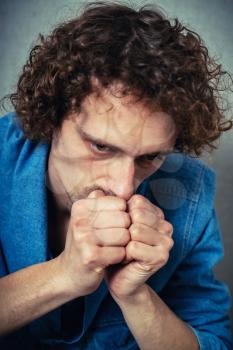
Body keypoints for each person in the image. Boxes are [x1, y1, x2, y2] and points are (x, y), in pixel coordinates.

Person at [0, 2, 232, 349]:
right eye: (101, 146)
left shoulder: (189, 191)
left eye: (150, 156)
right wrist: (64, 275)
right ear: (51, 118)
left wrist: (136, 296)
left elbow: (214, 343)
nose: (123, 188)